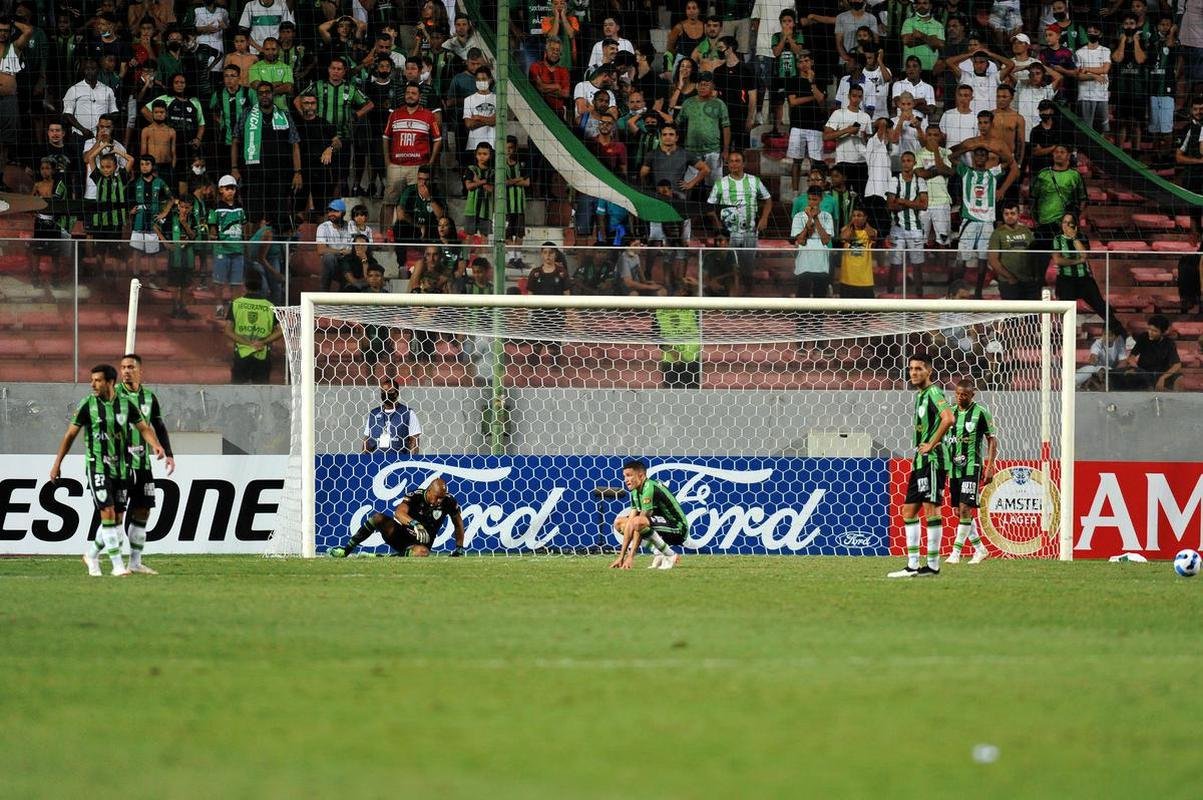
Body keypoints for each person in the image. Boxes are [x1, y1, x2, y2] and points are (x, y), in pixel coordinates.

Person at [49, 364, 165, 577]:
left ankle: (91, 555)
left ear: (110, 382)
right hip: (97, 467)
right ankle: (117, 566)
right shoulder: (87, 405)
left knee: (116, 522)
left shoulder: (126, 404)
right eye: (92, 379)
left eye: (98, 380)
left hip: (121, 469)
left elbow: (143, 428)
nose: (92, 384)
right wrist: (57, 464)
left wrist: (155, 445)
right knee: (108, 513)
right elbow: (69, 436)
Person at [888, 353, 954, 578]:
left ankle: (933, 565)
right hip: (920, 461)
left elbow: (949, 418)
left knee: (931, 509)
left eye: (918, 369)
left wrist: (931, 444)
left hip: (933, 460)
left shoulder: (934, 392)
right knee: (908, 510)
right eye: (911, 369)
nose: (914, 372)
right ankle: (913, 565)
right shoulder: (920, 396)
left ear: (929, 372)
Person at [115, 353, 177, 575]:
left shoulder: (149, 397)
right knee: (117, 514)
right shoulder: (112, 395)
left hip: (143, 465)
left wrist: (168, 453)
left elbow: (158, 426)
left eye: (130, 367)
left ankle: (135, 561)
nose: (126, 371)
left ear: (140, 371)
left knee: (143, 512)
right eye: (123, 367)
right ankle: (112, 561)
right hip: (119, 465)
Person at [330, 478, 465, 557]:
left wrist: (459, 548)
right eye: (437, 497)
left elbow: (458, 523)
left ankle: (381, 557)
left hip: (421, 544)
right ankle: (345, 551)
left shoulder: (449, 502)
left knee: (422, 553)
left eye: (442, 497)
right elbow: (399, 513)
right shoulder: (415, 495)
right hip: (401, 535)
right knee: (378, 518)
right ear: (428, 491)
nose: (439, 501)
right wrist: (415, 524)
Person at [943, 377, 996, 565]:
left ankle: (955, 553)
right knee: (959, 511)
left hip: (971, 467)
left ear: (972, 395)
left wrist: (989, 466)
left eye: (964, 395)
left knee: (966, 508)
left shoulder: (981, 413)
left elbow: (992, 439)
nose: (960, 397)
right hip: (954, 470)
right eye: (957, 394)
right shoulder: (950, 414)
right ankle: (980, 549)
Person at [1052, 212, 1125, 335]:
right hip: (1066, 280)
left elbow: (1085, 255)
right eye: (1064, 222)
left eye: (1070, 223)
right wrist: (1077, 261)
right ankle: (1065, 343)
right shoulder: (1057, 239)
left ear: (1075, 225)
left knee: (1102, 308)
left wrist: (1074, 238)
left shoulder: (1081, 237)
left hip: (1084, 279)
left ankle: (1123, 336)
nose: (1066, 225)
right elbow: (1058, 260)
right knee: (1067, 313)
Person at [610, 459, 686, 570]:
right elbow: (631, 523)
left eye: (629, 475)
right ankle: (659, 553)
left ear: (641, 476)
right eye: (624, 476)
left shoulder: (649, 488)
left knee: (638, 522)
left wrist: (630, 557)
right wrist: (621, 557)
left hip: (678, 528)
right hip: (660, 526)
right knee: (620, 523)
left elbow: (639, 523)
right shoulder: (635, 491)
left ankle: (670, 555)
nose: (626, 480)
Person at [707, 150, 771, 280]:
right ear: (727, 164)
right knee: (730, 266)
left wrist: (764, 218)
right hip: (729, 233)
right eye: (731, 161)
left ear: (744, 163)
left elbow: (768, 200)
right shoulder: (721, 183)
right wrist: (717, 223)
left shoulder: (754, 181)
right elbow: (709, 206)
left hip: (750, 231)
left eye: (737, 161)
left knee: (748, 266)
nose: (734, 164)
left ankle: (748, 294)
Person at [224, 270, 282, 382]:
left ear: (244, 285)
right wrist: (263, 342)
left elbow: (227, 330)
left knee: (238, 394)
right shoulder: (269, 306)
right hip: (262, 354)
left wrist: (248, 343)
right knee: (262, 395)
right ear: (261, 286)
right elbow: (280, 331)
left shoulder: (236, 304)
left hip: (242, 354)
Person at [887, 150, 928, 294]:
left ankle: (919, 294)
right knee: (894, 263)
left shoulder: (920, 181)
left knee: (917, 264)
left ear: (914, 163)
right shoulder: (894, 180)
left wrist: (903, 201)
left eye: (909, 161)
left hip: (915, 228)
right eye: (903, 161)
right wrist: (913, 202)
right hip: (897, 228)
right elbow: (890, 205)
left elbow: (924, 205)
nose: (906, 163)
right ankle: (890, 292)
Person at [1111, 314, 1182, 390]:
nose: (1150, 333)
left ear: (1163, 332)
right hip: (1144, 372)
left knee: (1179, 378)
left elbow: (1177, 365)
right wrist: (1136, 369)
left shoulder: (1169, 343)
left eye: (1154, 331)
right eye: (1149, 329)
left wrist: (1163, 378)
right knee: (1119, 373)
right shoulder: (1143, 337)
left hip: (1161, 373)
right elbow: (1132, 357)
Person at [823, 83, 870, 190]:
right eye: (854, 96)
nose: (856, 99)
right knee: (843, 193)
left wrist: (863, 136)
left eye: (859, 96)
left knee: (860, 195)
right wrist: (847, 131)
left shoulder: (865, 116)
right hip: (843, 160)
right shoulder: (838, 114)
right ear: (848, 96)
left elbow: (868, 140)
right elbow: (825, 136)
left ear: (862, 97)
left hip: (862, 161)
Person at [987, 201, 1038, 300]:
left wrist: (1035, 276)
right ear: (1002, 215)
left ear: (1018, 215)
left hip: (1028, 281)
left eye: (1012, 213)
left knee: (1031, 314)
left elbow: (1034, 253)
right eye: (1006, 214)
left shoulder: (1026, 231)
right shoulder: (997, 233)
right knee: (1012, 315)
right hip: (1008, 283)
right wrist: (1009, 277)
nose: (1009, 216)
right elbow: (993, 260)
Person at [655, 281, 701, 388]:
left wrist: (695, 288)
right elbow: (655, 336)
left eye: (684, 290)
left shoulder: (692, 308)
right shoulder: (659, 311)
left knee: (692, 394)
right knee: (671, 395)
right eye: (680, 290)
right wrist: (672, 351)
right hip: (670, 359)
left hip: (691, 358)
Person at [791, 187, 834, 297]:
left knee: (819, 295)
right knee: (802, 294)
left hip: (821, 263)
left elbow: (825, 240)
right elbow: (801, 241)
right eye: (809, 199)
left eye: (814, 199)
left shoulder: (827, 216)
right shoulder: (798, 217)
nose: (811, 202)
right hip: (803, 262)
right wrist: (809, 220)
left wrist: (815, 219)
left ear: (821, 199)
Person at [362, 377, 421, 452]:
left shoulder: (408, 413)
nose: (386, 394)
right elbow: (367, 440)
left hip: (399, 460)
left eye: (390, 391)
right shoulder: (374, 414)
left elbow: (414, 441)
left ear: (397, 393)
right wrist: (364, 460)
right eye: (383, 391)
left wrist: (411, 461)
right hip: (376, 460)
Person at [1075, 21, 1111, 132]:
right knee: (1087, 130)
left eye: (1095, 32)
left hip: (1102, 95)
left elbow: (1105, 69)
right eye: (1089, 32)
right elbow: (1079, 75)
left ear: (1100, 34)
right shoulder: (1079, 52)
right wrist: (1095, 77)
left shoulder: (1105, 50)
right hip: (1085, 95)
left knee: (1102, 130)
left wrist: (1087, 69)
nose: (1092, 34)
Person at [837, 207, 877, 298]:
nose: (856, 218)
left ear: (865, 217)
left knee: (866, 310)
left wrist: (865, 223)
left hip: (865, 279)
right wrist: (852, 224)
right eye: (854, 216)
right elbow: (844, 237)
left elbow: (872, 235)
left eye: (859, 216)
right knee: (847, 310)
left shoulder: (870, 231)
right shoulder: (846, 229)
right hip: (847, 278)